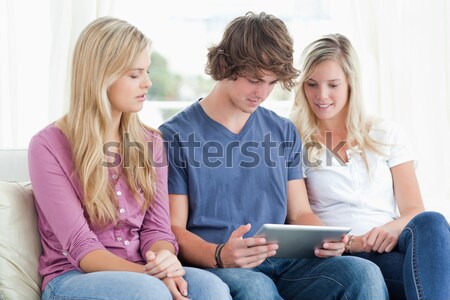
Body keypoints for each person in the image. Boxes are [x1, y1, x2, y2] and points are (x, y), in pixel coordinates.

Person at [159, 12, 388, 300]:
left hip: (284, 261)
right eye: (255, 80)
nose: (263, 92)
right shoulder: (175, 135)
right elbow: (172, 228)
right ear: (223, 66)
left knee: (362, 273)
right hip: (221, 264)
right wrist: (219, 254)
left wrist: (330, 238)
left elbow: (300, 212)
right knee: (258, 288)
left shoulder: (282, 130)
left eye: (271, 82)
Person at [28, 16, 231, 300]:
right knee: (150, 292)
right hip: (73, 277)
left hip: (143, 269)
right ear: (102, 76)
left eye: (146, 72)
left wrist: (165, 261)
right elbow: (82, 249)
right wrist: (154, 277)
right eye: (135, 74)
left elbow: (157, 229)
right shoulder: (47, 146)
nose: (147, 83)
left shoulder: (151, 143)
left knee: (213, 289)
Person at [290, 33, 450, 300]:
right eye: (312, 85)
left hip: (392, 245)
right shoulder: (296, 140)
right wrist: (352, 243)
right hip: (343, 256)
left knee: (432, 221)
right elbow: (300, 216)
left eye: (333, 85)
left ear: (351, 83)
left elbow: (413, 210)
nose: (322, 96)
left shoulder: (385, 132)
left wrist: (391, 229)